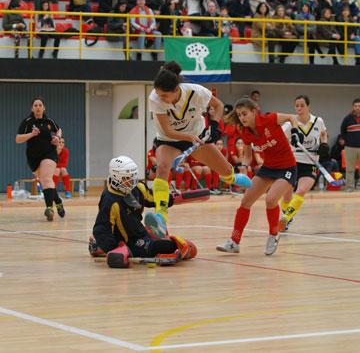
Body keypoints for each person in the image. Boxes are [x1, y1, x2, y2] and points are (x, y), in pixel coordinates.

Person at [145, 61, 252, 232]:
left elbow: (219, 105)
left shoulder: (196, 92)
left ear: (176, 90)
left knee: (225, 170)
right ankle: (161, 216)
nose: (161, 98)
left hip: (198, 136)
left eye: (164, 95)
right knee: (163, 167)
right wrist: (189, 137)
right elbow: (167, 130)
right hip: (169, 139)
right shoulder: (155, 98)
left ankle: (231, 178)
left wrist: (215, 125)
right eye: (158, 94)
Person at [216, 97, 302, 256]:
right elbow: (247, 157)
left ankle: (274, 234)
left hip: (287, 168)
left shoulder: (270, 119)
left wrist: (296, 131)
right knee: (246, 201)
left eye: (244, 114)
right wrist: (242, 172)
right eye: (239, 115)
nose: (242, 118)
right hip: (268, 168)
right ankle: (234, 242)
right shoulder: (245, 132)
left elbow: (292, 117)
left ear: (254, 111)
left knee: (270, 199)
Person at [88, 155, 197, 267]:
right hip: (127, 241)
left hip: (140, 232)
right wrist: (114, 249)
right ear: (117, 178)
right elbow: (102, 229)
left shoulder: (138, 188)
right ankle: (99, 245)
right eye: (128, 178)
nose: (132, 180)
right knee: (162, 247)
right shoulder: (110, 200)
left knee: (164, 243)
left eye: (132, 176)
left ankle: (97, 246)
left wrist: (170, 199)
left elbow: (152, 198)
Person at [279, 95, 327, 231]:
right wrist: (288, 144)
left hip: (310, 161)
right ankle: (287, 214)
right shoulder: (290, 124)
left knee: (301, 191)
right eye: (297, 106)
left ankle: (286, 218)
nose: (299, 108)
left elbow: (323, 134)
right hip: (292, 161)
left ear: (308, 106)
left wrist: (324, 144)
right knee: (287, 194)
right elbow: (280, 139)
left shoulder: (318, 121)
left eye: (302, 105)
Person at [16, 97, 65, 221]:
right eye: (35, 105)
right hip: (33, 157)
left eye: (40, 105)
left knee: (47, 179)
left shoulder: (49, 121)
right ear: (32, 108)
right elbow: (18, 139)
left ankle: (49, 209)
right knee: (45, 182)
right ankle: (58, 201)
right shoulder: (27, 122)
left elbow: (58, 129)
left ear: (43, 108)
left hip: (49, 153)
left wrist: (57, 137)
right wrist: (31, 134)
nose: (38, 107)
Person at [340, 98, 360, 191]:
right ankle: (349, 188)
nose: (357, 108)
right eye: (356, 106)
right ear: (353, 107)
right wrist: (347, 140)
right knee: (350, 169)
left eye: (359, 106)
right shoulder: (347, 118)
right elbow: (342, 131)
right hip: (350, 147)